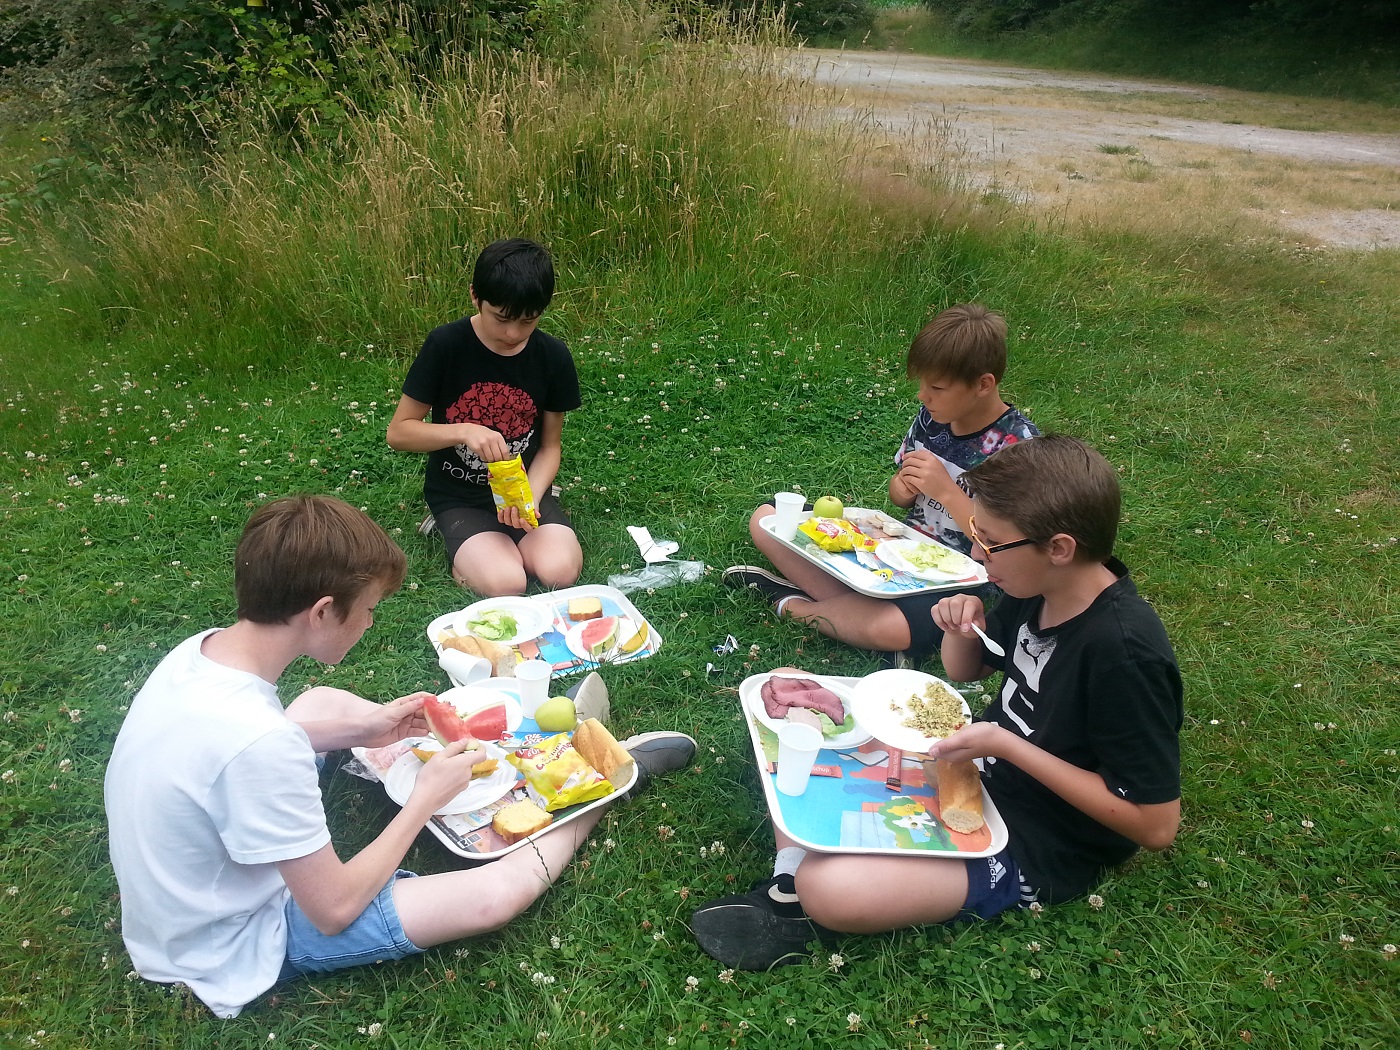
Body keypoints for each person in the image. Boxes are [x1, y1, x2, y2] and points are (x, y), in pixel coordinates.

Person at [104, 495, 694, 1017]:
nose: (369, 622)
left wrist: (366, 728)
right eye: (368, 609)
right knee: (493, 896)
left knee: (322, 704)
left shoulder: (201, 653)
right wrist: (423, 801)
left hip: (179, 899)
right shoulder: (260, 747)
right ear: (322, 611)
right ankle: (609, 785)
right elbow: (334, 909)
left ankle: (407, 757)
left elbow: (239, 750)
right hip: (231, 938)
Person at [692, 436, 1183, 970]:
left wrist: (1007, 747)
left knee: (831, 889)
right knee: (788, 690)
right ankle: (790, 877)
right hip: (968, 764)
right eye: (976, 534)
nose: (976, 554)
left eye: (990, 543)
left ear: (1059, 548)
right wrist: (960, 628)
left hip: (1039, 837)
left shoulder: (1125, 656)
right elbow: (965, 672)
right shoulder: (1039, 584)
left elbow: (1155, 826)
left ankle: (802, 885)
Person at [724, 304, 1038, 662]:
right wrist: (901, 489)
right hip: (898, 551)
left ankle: (792, 604)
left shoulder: (1019, 448)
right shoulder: (933, 418)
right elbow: (901, 497)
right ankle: (854, 610)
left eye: (937, 387)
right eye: (923, 384)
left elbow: (1008, 547)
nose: (923, 395)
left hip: (961, 584)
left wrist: (947, 492)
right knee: (768, 518)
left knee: (891, 627)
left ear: (983, 384)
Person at [387, 238, 583, 595]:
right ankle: (453, 534)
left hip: (522, 487)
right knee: (507, 583)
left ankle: (502, 541)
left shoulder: (553, 356)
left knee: (560, 572)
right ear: (475, 297)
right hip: (461, 495)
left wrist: (529, 497)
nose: (513, 333)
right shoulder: (446, 345)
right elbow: (399, 433)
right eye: (502, 318)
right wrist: (463, 431)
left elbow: (550, 447)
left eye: (528, 320)